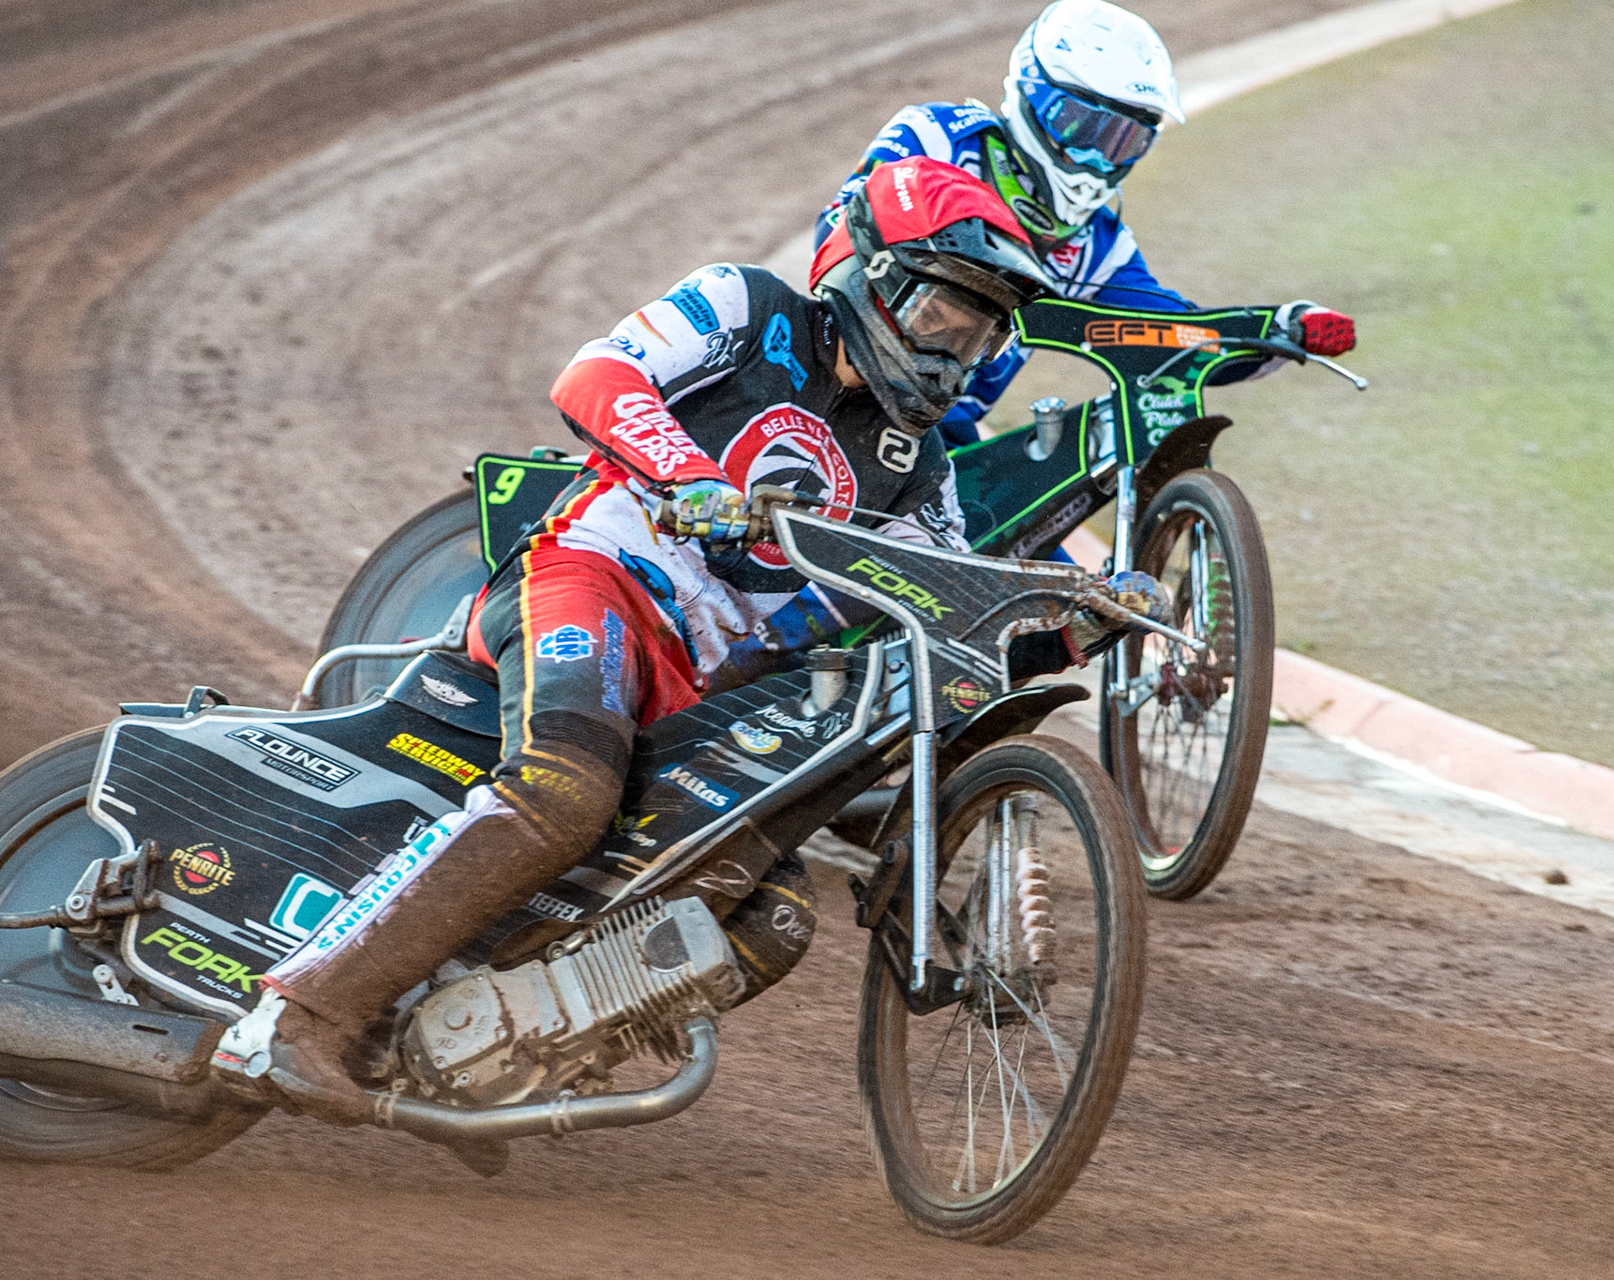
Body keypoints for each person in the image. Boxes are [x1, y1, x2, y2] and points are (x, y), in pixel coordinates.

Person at [214, 158, 1156, 1129]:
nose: (953, 354)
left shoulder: (919, 469)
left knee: (766, 913)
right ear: (872, 276)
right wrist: (685, 473)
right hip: (586, 579)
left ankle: (490, 1048)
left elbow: (942, 614)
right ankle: (295, 1015)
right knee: (565, 789)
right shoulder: (746, 306)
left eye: (978, 334)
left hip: (703, 684)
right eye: (941, 318)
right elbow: (594, 374)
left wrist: (1072, 626)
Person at [816, 0, 1357, 448]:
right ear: (1031, 96)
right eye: (1083, 127)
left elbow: (1175, 335)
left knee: (1059, 578)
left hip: (940, 442)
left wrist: (1277, 330)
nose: (1099, 160)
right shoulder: (938, 137)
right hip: (829, 395)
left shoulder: (1099, 245)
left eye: (1122, 141)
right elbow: (838, 233)